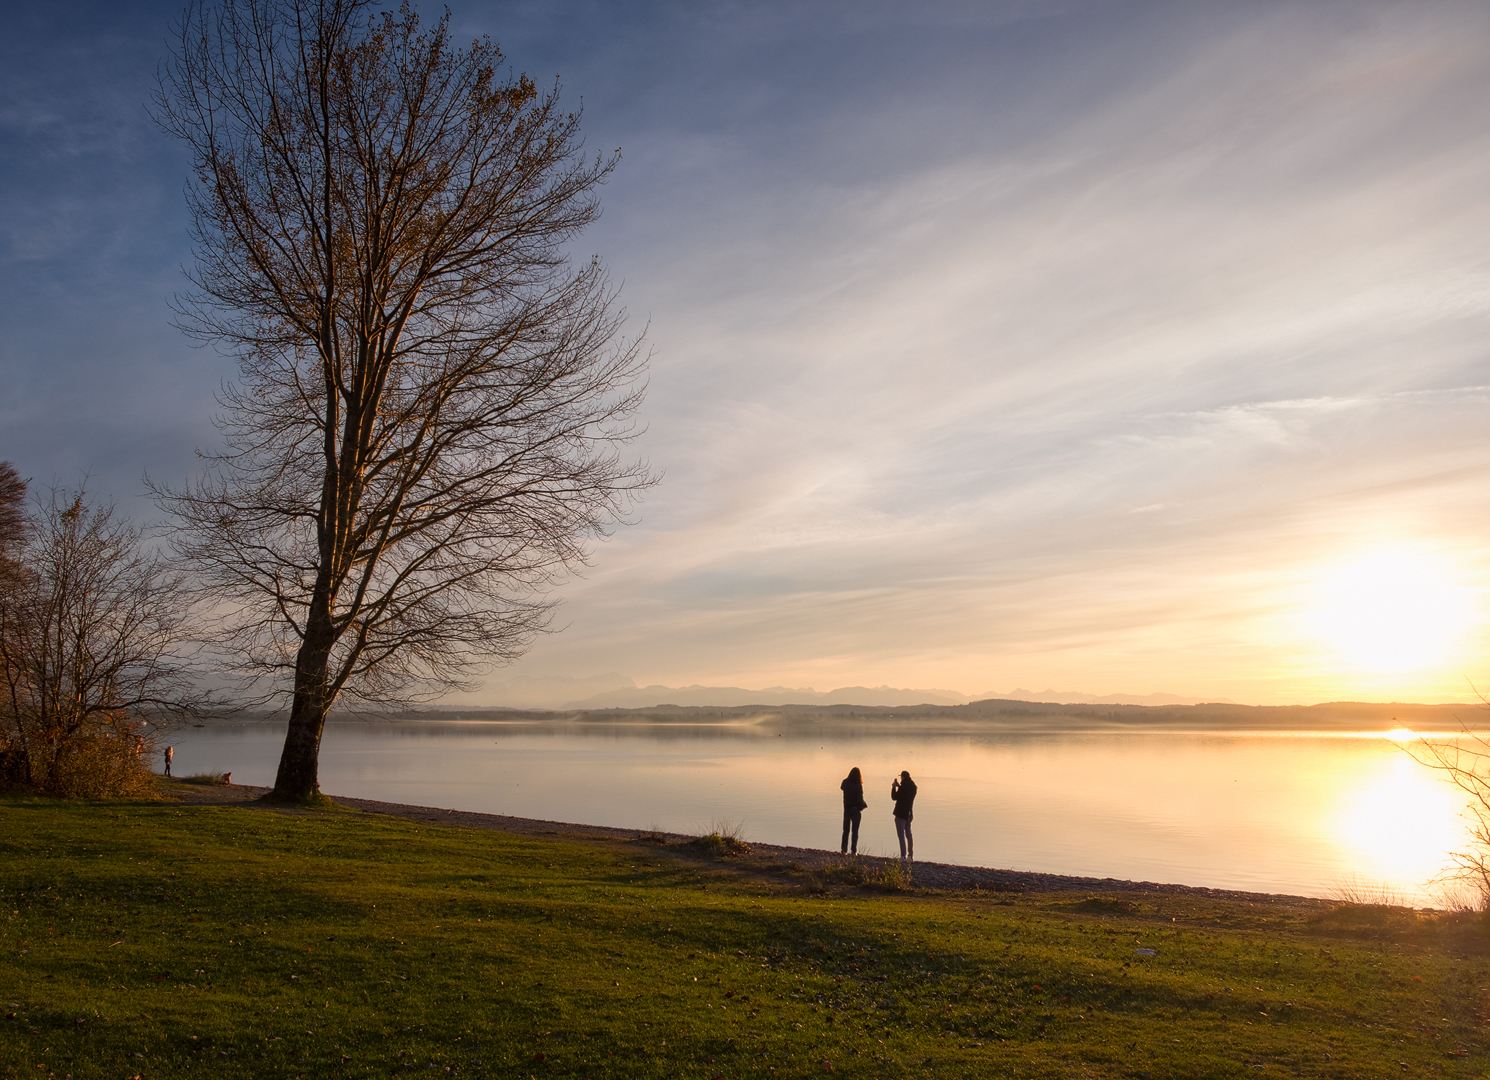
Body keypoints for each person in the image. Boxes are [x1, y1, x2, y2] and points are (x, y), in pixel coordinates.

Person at [839, 767, 868, 854]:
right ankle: (853, 850)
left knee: (845, 831)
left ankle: (844, 850)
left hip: (847, 809)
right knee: (855, 831)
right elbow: (860, 798)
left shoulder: (845, 782)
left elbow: (842, 788)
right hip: (855, 809)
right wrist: (861, 806)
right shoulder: (858, 785)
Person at [891, 770, 917, 864]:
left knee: (901, 835)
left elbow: (894, 797)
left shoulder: (903, 788)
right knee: (909, 834)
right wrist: (900, 787)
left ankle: (903, 856)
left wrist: (894, 787)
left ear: (903, 777)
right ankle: (911, 855)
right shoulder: (913, 787)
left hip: (900, 813)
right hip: (909, 813)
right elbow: (906, 794)